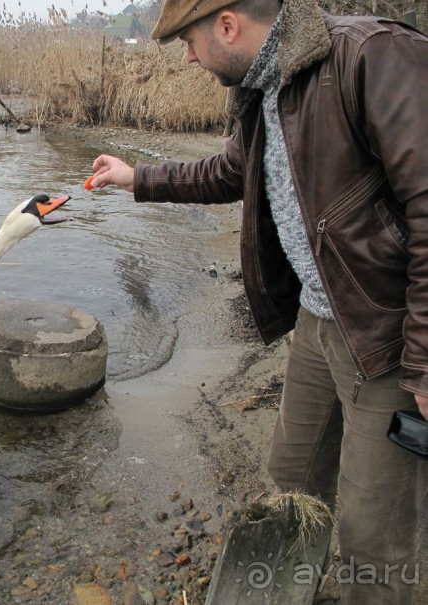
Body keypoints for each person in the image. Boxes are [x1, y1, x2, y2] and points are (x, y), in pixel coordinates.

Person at [89, 0, 428, 602]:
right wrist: (134, 178)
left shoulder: (370, 55)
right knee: (290, 485)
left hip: (388, 339)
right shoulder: (262, 87)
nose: (188, 58)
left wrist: (426, 359)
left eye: (190, 42)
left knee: (374, 537)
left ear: (227, 25)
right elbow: (228, 172)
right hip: (318, 322)